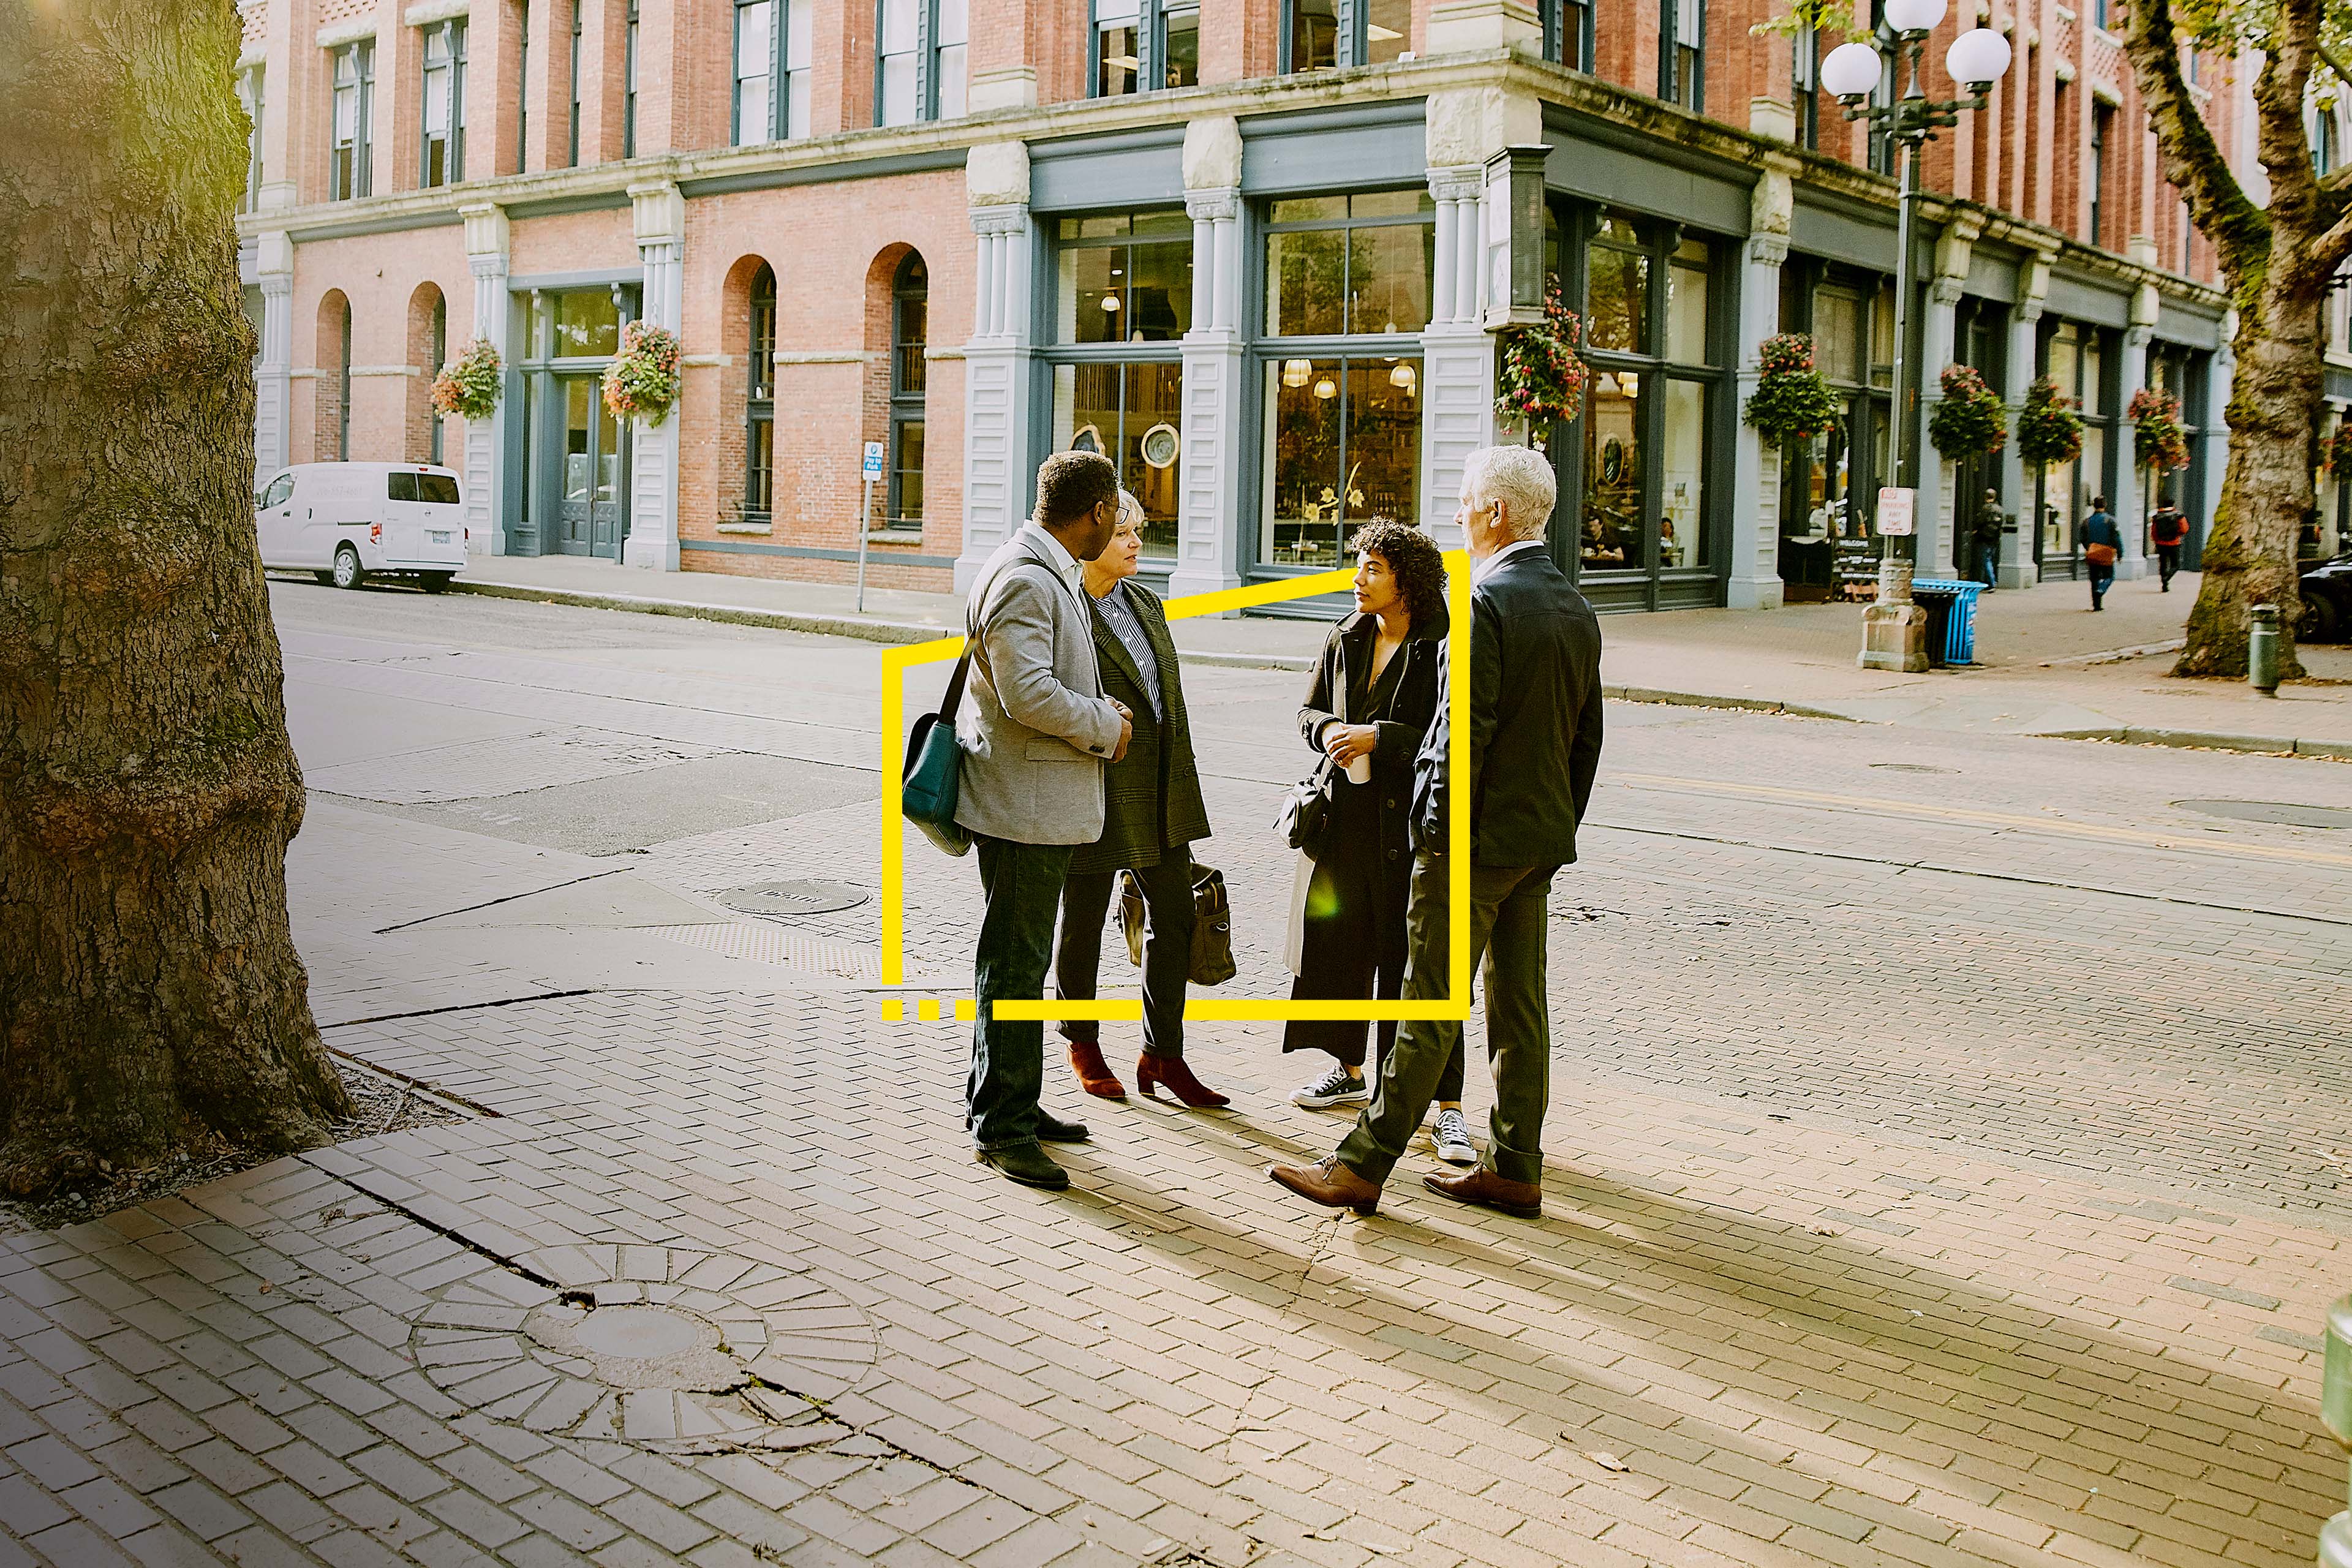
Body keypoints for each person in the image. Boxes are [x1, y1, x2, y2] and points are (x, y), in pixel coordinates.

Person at [1268, 446, 1604, 1221]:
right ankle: (1516, 1165)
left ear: (1496, 514)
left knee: (1426, 1007)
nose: (1457, 515)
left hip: (1469, 847)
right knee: (1520, 1007)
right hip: (1536, 844)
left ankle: (1358, 1166)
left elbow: (1463, 737)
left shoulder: (1486, 602)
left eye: (1463, 502)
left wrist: (1434, 837)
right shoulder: (1574, 605)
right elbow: (1584, 739)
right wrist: (1555, 827)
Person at [957, 450, 1134, 1192]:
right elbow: (1028, 692)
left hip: (1031, 803)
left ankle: (1012, 1105)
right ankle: (1003, 1129)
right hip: (1023, 809)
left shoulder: (1036, 563)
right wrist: (1104, 722)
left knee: (1016, 961)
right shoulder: (1028, 578)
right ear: (1094, 513)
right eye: (1115, 516)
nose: (1118, 528)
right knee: (1016, 967)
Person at [1280, 522, 1471, 1165]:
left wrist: (1379, 738)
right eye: (1358, 567)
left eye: (1372, 569)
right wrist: (1331, 728)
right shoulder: (1346, 635)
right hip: (1344, 821)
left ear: (1406, 581)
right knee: (1343, 947)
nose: (1358, 579)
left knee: (1416, 965)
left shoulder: (1442, 639)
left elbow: (1453, 735)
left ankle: (1446, 1109)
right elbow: (1306, 714)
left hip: (1412, 828)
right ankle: (1350, 1069)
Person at [1050, 492, 1227, 1110]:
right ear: (1093, 533)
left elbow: (1165, 698)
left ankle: (1163, 1051)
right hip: (1099, 786)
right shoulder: (1067, 606)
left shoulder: (1146, 603)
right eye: (1124, 530)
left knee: (1175, 914)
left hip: (1157, 790)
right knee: (1084, 923)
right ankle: (1082, 1041)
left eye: (1141, 530)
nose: (1135, 541)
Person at [2081, 494, 2120, 611]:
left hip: (2093, 553)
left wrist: (2089, 548)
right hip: (2106, 553)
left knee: (2094, 578)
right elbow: (2116, 538)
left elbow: (2082, 538)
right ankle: (2102, 589)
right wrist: (2120, 553)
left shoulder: (2087, 521)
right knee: (2109, 576)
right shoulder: (2110, 520)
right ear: (2105, 505)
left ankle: (2097, 605)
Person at [2150, 492, 2187, 591]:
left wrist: (2157, 540)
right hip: (2174, 543)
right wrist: (2176, 535)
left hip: (2161, 544)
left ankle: (2164, 583)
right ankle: (2168, 578)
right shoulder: (2178, 515)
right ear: (2173, 504)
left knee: (2163, 564)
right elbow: (2184, 529)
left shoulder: (2157, 516)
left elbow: (2154, 532)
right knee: (2175, 564)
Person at [1973, 489, 2005, 591]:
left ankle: (1991, 582)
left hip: (1984, 537)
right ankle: (1985, 581)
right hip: (1995, 538)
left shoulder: (1986, 508)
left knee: (1986, 560)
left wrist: (1975, 531)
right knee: (1989, 559)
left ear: (1985, 497)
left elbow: (1980, 521)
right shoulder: (2000, 509)